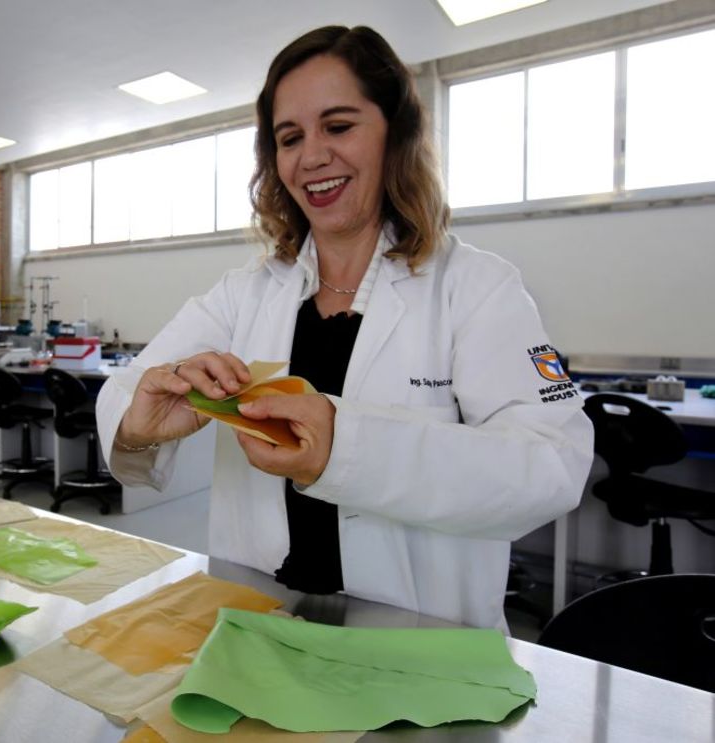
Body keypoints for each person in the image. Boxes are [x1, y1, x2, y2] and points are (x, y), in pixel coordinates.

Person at [95, 26, 593, 630]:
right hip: (259, 622)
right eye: (289, 137)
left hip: (418, 640)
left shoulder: (476, 287)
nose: (311, 157)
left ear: (395, 134)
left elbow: (552, 465)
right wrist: (140, 426)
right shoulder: (244, 293)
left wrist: (347, 449)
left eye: (338, 126)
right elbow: (129, 391)